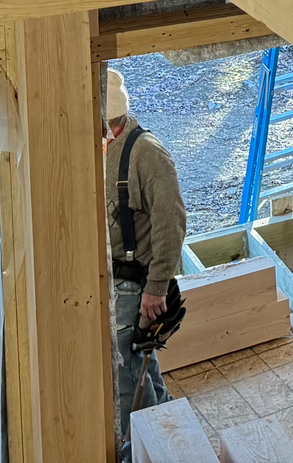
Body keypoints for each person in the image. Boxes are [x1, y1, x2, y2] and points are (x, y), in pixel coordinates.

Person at [104, 66, 188, 453]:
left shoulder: (146, 154)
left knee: (125, 380)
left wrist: (156, 289)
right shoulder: (105, 149)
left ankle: (142, 451)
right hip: (113, 282)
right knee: (141, 366)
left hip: (135, 284)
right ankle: (172, 440)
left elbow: (171, 223)